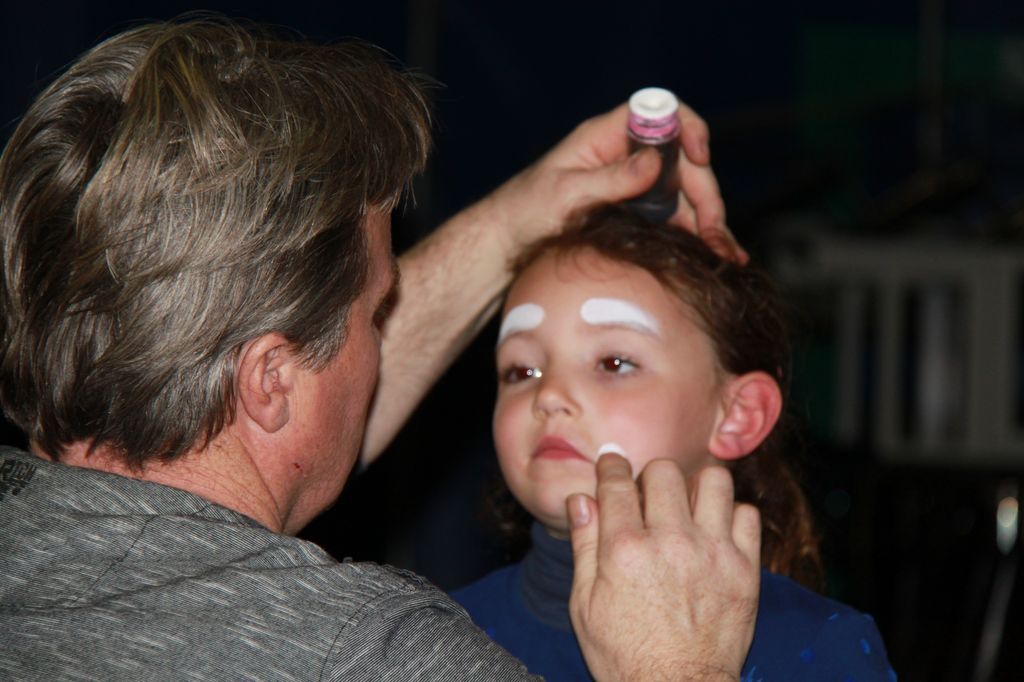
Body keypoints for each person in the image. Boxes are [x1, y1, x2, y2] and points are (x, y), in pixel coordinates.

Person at [0, 16, 759, 681]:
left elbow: (274, 426)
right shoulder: (367, 654)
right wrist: (678, 663)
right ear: (270, 380)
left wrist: (508, 225)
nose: (553, 395)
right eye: (377, 315)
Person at [452, 205, 899, 681]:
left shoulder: (825, 648)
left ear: (738, 416)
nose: (549, 395)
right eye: (521, 370)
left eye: (614, 362)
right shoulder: (431, 635)